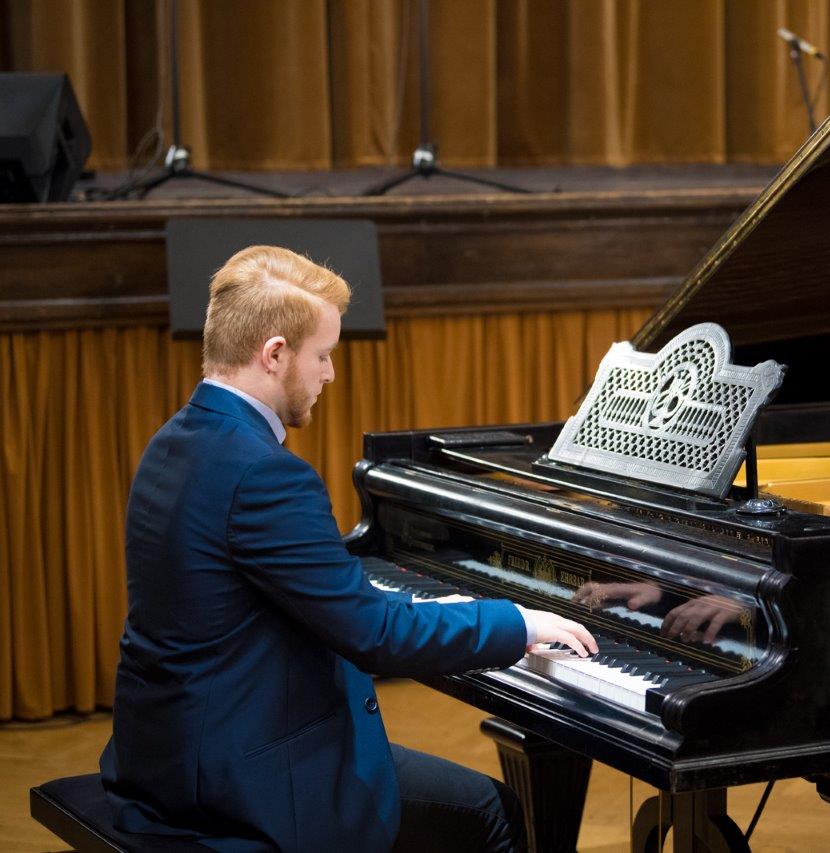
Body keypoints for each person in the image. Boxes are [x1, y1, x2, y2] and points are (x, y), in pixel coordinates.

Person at [99, 245, 597, 852]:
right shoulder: (263, 473)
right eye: (323, 355)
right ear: (275, 353)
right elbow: (375, 636)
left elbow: (284, 582)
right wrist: (516, 621)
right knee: (494, 813)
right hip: (241, 776)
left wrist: (427, 603)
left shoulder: (174, 442)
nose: (330, 374)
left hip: (168, 748)